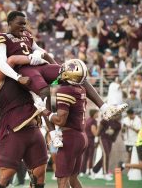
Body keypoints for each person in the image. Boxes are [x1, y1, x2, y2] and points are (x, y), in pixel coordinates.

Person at [0, 10, 128, 147]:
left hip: (40, 66)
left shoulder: (26, 35)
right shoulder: (1, 38)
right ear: (9, 23)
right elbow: (2, 63)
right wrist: (18, 77)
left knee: (76, 74)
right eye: (20, 23)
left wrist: (57, 68)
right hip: (24, 69)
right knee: (44, 90)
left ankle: (105, 108)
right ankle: (53, 133)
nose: (23, 27)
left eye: (25, 24)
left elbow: (41, 51)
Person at [0, 52, 48, 188]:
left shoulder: (19, 75)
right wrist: (31, 57)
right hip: (14, 129)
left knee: (39, 174)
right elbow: (11, 61)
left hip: (33, 128)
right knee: (5, 176)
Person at [38, 59, 89, 188]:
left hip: (70, 138)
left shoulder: (65, 90)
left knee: (62, 180)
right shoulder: (81, 88)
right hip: (81, 136)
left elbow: (61, 120)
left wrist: (45, 111)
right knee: (72, 178)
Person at [91, 116, 122, 181]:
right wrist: (96, 139)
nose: (119, 116)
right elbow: (99, 129)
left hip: (110, 140)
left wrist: (113, 141)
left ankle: (94, 170)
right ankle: (105, 173)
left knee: (105, 156)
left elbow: (115, 134)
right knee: (106, 154)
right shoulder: (106, 120)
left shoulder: (118, 124)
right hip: (103, 138)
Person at [80, 109, 99, 176]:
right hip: (91, 140)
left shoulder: (88, 119)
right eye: (97, 113)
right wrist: (100, 133)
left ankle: (82, 171)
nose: (98, 114)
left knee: (85, 156)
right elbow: (94, 132)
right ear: (94, 114)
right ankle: (90, 171)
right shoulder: (93, 121)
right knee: (91, 156)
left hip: (85, 139)